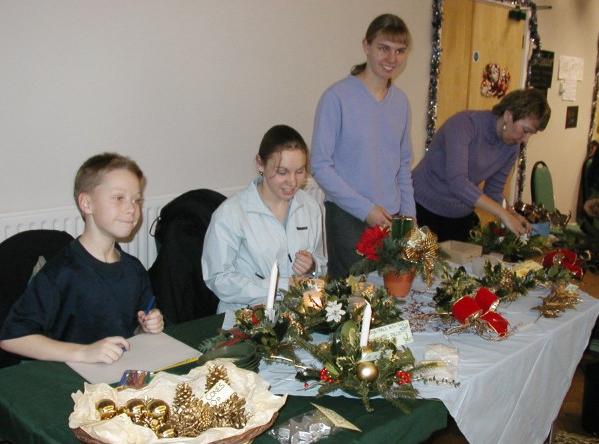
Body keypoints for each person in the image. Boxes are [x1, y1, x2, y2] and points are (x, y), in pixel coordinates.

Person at [0, 153, 164, 364]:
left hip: (117, 375)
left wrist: (146, 326)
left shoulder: (134, 269)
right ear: (87, 203)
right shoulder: (60, 272)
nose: (132, 208)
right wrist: (84, 353)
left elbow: (134, 327)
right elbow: (12, 337)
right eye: (118, 198)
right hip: (69, 381)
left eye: (136, 200)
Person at [310, 13, 416, 279]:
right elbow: (321, 166)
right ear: (366, 46)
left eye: (400, 51)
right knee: (353, 304)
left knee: (389, 302)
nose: (392, 59)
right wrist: (366, 209)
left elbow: (403, 165)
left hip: (391, 220)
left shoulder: (401, 103)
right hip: (348, 218)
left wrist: (410, 218)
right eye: (384, 49)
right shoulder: (337, 98)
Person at [202, 125, 327, 328]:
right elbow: (218, 278)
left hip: (298, 316)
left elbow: (322, 263)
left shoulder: (310, 207)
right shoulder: (232, 214)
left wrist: (312, 266)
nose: (292, 182)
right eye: (282, 172)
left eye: (300, 172)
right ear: (260, 164)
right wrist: (277, 287)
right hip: (245, 320)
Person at [413, 88, 551, 242]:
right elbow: (458, 182)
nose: (525, 139)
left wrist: (513, 214)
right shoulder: (465, 124)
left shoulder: (511, 147)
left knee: (454, 265)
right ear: (508, 115)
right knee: (418, 265)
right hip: (422, 209)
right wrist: (503, 214)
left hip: (459, 217)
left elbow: (493, 192)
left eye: (531, 133)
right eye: (525, 130)